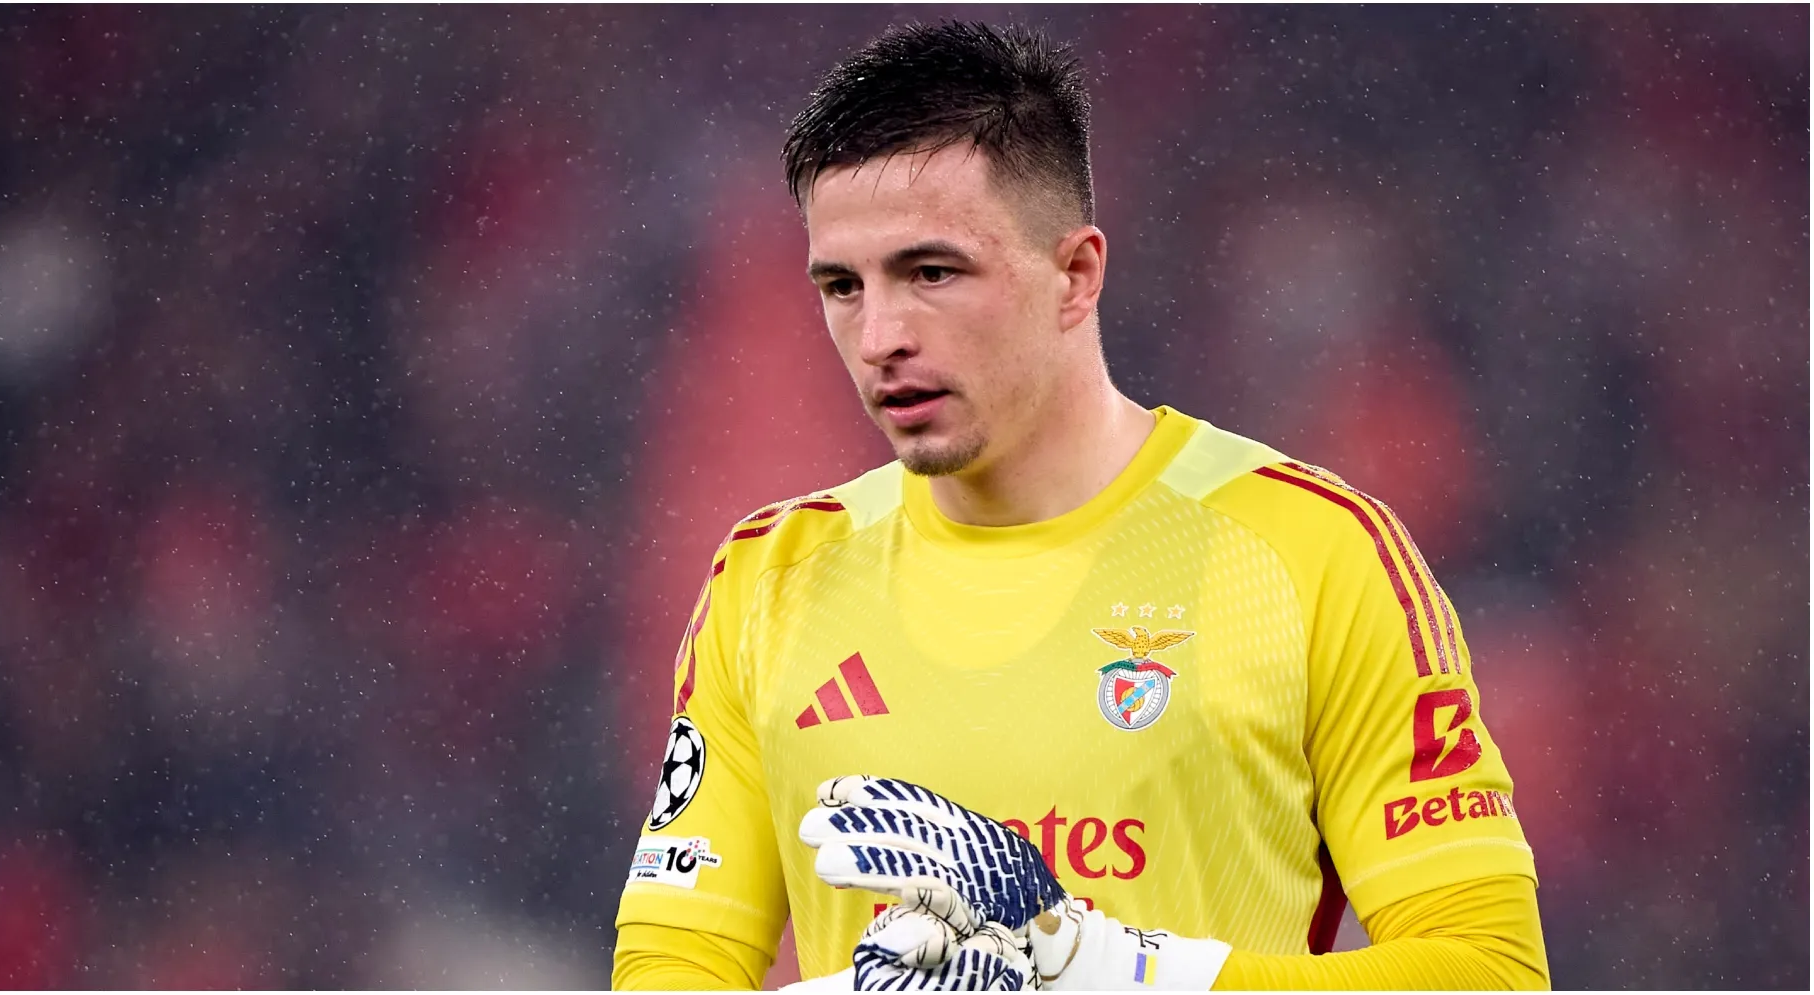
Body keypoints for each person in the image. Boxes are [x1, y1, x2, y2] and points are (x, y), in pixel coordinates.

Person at [612, 21, 1547, 991]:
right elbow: (671, 966)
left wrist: (1126, 973)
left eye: (932, 272)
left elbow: (1490, 970)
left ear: (1076, 275)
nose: (881, 334)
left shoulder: (1314, 555)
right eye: (843, 286)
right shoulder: (770, 582)